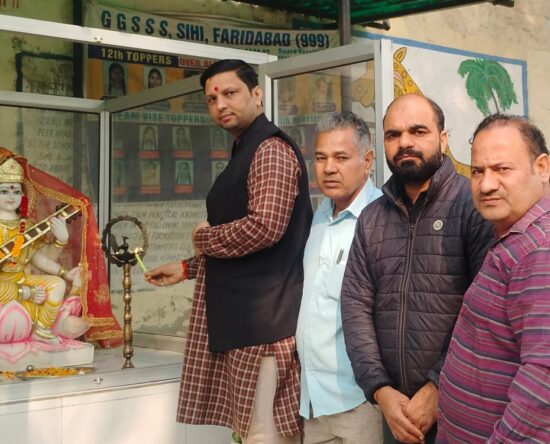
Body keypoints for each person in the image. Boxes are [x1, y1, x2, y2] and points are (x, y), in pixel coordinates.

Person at [145, 59, 312, 443]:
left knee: (264, 435)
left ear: (257, 94)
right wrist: (188, 268)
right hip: (245, 324)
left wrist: (203, 239)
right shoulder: (246, 148)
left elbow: (264, 227)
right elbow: (247, 237)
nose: (220, 104)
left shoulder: (269, 149)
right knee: (252, 433)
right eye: (211, 99)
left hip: (264, 327)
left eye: (230, 93)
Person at [340, 94, 494, 444]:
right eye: (393, 135)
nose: (405, 142)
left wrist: (439, 387)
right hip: (396, 412)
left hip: (462, 406)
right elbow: (355, 306)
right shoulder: (372, 218)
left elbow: (485, 313)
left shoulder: (473, 207)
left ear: (443, 139)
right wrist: (380, 390)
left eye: (418, 131)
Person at [437, 114, 550, 443]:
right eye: (477, 171)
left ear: (542, 168)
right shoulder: (515, 237)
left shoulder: (539, 251)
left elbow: (543, 381)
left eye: (502, 169)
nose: (486, 185)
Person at [296, 111, 383, 443]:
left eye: (341, 157)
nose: (328, 168)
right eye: (321, 158)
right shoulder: (320, 215)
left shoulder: (383, 220)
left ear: (367, 160)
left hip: (360, 401)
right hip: (314, 402)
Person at [0, 148, 122, 348]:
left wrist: (63, 258)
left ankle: (41, 330)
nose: (10, 196)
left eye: (16, 191)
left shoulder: (27, 226)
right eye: (4, 191)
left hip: (21, 278)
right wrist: (26, 293)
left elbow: (38, 258)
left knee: (57, 285)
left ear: (23, 195)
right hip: (4, 285)